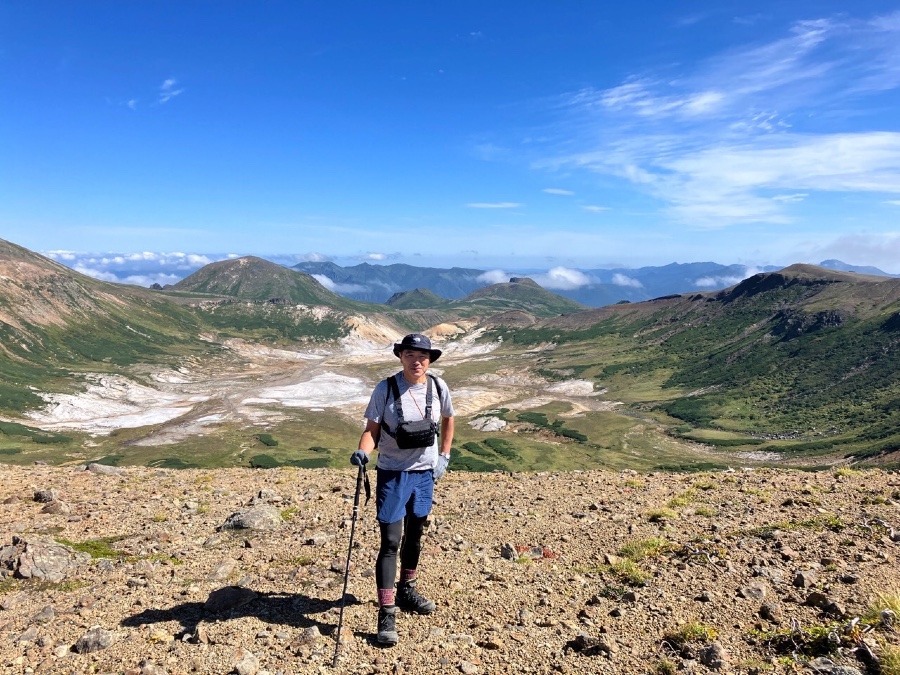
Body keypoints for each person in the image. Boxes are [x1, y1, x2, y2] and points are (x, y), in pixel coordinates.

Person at [350, 333, 454, 646]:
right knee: (391, 540)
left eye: (423, 355)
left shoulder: (438, 387)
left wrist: (445, 455)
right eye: (410, 354)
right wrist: (363, 452)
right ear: (401, 356)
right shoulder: (385, 388)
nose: (417, 360)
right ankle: (386, 611)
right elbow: (372, 430)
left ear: (430, 359)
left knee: (416, 534)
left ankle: (407, 589)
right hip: (394, 473)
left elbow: (448, 419)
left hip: (425, 473)